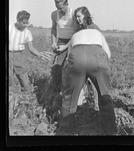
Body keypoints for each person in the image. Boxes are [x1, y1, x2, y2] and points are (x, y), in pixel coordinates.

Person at [57, 7, 117, 135]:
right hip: (98, 58)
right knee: (104, 94)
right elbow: (108, 54)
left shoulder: (76, 35)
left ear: (85, 17)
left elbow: (69, 57)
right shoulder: (98, 32)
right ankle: (111, 130)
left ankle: (64, 130)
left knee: (70, 97)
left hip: (77, 57)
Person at [9, 10, 52, 93]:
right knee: (9, 78)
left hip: (19, 56)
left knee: (24, 78)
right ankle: (10, 98)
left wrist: (40, 55)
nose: (26, 25)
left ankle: (26, 97)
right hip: (8, 55)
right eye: (24, 23)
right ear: (18, 20)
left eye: (27, 23)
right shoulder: (9, 28)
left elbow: (31, 48)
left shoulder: (27, 33)